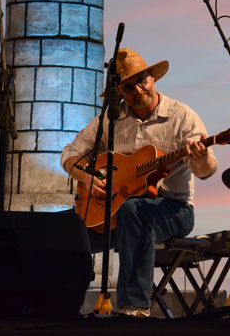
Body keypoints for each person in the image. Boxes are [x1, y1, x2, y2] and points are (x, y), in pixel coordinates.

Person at [61, 48, 218, 317]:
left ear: (153, 79)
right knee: (64, 231)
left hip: (174, 210)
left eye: (141, 81)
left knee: (133, 211)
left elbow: (207, 171)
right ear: (119, 91)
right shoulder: (110, 120)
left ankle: (134, 307)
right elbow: (69, 154)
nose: (137, 90)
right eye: (128, 86)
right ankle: (60, 308)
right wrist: (86, 177)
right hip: (116, 211)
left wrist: (201, 156)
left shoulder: (182, 116)